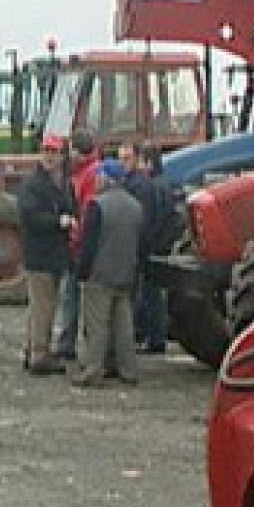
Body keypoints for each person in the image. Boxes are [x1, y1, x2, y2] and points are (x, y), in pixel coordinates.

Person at [70, 157, 144, 387]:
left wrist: (82, 271)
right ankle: (128, 370)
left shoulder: (97, 205)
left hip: (100, 274)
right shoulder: (135, 205)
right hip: (126, 273)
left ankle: (93, 370)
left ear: (105, 178)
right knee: (124, 325)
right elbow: (141, 242)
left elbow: (89, 243)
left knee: (97, 325)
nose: (96, 180)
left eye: (98, 176)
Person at [16, 135, 75, 375]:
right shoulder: (33, 184)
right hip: (40, 253)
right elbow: (29, 216)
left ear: (62, 155)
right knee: (44, 306)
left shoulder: (63, 181)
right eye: (46, 151)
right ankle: (39, 355)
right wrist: (58, 222)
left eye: (54, 151)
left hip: (54, 253)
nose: (50, 156)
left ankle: (33, 349)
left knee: (42, 305)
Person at [52, 129, 100, 360]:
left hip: (80, 243)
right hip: (78, 241)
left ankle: (69, 342)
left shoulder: (88, 175)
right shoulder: (82, 172)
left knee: (73, 295)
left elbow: (87, 212)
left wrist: (75, 235)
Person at [123, 143, 174, 354]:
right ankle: (153, 334)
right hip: (159, 243)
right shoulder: (161, 184)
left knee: (151, 293)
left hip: (153, 246)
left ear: (149, 163)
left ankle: (154, 337)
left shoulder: (150, 188)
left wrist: (143, 244)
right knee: (152, 293)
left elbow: (149, 220)